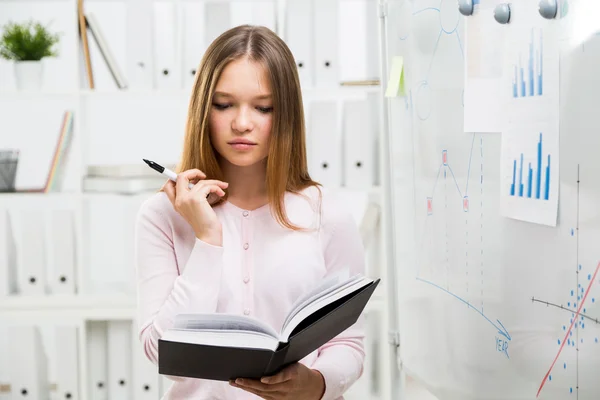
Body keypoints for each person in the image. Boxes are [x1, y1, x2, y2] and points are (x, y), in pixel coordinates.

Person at [134, 24, 367, 400]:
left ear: (286, 113)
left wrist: (317, 384)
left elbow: (349, 342)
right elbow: (160, 350)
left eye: (263, 107)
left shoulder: (327, 214)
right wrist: (207, 240)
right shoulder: (162, 216)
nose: (242, 123)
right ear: (203, 109)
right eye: (224, 104)